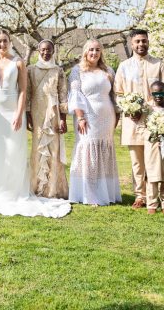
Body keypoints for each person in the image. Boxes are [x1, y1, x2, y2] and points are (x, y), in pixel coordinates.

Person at [0, 30, 71, 218]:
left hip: (12, 112)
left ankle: (14, 188)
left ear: (10, 42)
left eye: (5, 41)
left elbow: (24, 90)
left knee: (14, 150)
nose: (2, 44)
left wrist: (19, 113)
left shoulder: (18, 62)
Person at [114, 29, 164, 209]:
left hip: (155, 122)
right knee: (137, 162)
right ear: (131, 44)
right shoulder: (124, 66)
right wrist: (130, 109)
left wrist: (147, 107)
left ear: (148, 42)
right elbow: (118, 92)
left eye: (144, 41)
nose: (141, 44)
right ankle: (140, 196)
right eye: (137, 41)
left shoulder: (159, 64)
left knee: (155, 160)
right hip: (133, 121)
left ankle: (159, 197)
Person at [68, 39, 122, 206]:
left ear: (101, 52)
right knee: (87, 151)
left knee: (104, 151)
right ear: (85, 51)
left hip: (107, 116)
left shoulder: (108, 71)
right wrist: (81, 117)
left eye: (97, 50)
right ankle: (89, 194)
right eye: (91, 49)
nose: (94, 53)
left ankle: (105, 192)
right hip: (87, 117)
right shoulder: (77, 71)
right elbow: (75, 94)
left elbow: (114, 95)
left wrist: (117, 116)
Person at [26, 40, 69, 199]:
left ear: (53, 51)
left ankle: (52, 189)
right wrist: (28, 114)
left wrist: (63, 118)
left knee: (54, 149)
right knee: (38, 148)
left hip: (54, 112)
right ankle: (37, 186)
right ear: (38, 50)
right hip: (37, 112)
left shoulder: (58, 70)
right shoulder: (30, 69)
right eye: (43, 50)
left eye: (49, 50)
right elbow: (28, 94)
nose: (46, 53)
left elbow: (63, 94)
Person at [138, 80, 164, 217]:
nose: (158, 96)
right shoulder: (147, 109)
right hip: (151, 147)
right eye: (155, 93)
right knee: (152, 175)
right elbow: (141, 128)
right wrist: (153, 134)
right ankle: (151, 203)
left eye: (161, 93)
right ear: (151, 93)